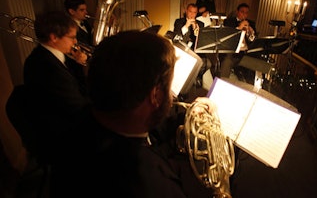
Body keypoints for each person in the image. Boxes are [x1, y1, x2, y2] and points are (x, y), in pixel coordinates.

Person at [51, 30, 216, 197]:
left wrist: (189, 115)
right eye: (168, 88)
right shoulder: (153, 184)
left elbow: (150, 125)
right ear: (155, 95)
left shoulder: (84, 121)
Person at [22, 11, 90, 164]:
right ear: (53, 37)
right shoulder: (45, 67)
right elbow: (77, 106)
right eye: (72, 37)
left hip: (63, 121)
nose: (76, 42)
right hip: (59, 135)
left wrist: (80, 65)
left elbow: (77, 88)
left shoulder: (49, 56)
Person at [174, 4, 209, 87]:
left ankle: (195, 79)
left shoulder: (200, 24)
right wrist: (186, 25)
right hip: (183, 49)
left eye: (194, 12)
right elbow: (176, 37)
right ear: (186, 11)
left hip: (195, 50)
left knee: (207, 64)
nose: (192, 14)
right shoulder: (179, 22)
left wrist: (195, 29)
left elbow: (201, 41)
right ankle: (189, 82)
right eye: (190, 11)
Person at [220, 3, 257, 79]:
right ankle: (222, 82)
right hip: (232, 51)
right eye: (242, 12)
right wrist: (239, 27)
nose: (244, 14)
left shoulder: (251, 23)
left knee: (256, 63)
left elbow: (252, 40)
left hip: (245, 53)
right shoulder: (228, 21)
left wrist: (250, 31)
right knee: (227, 62)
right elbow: (227, 36)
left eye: (246, 13)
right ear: (237, 12)